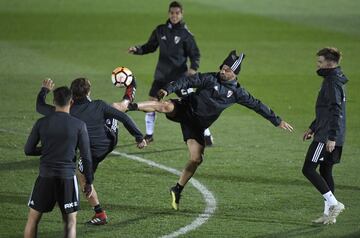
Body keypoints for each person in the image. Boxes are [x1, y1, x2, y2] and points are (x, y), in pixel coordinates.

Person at [127, 50, 294, 210]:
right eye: (222, 67)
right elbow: (189, 81)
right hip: (185, 109)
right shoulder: (210, 78)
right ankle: (129, 106)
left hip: (197, 126)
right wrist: (168, 89)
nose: (222, 71)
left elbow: (257, 105)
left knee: (196, 159)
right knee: (164, 106)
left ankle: (177, 189)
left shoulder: (238, 93)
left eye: (227, 70)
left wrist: (277, 121)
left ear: (234, 73)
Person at [36, 78, 147, 225]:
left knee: (82, 176)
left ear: (71, 93)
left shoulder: (67, 112)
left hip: (93, 151)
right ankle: (129, 92)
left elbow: (40, 107)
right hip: (110, 139)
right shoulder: (99, 105)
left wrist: (44, 90)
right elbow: (124, 118)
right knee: (115, 108)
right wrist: (139, 137)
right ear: (89, 91)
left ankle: (99, 213)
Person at [128, 1, 214, 146]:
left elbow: (195, 54)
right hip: (161, 75)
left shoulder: (186, 34)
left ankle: (206, 134)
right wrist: (137, 50)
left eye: (177, 13)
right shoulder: (160, 30)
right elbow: (150, 46)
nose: (174, 16)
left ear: (181, 14)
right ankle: (149, 135)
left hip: (180, 78)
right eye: (172, 13)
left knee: (194, 106)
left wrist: (193, 69)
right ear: (169, 13)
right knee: (152, 102)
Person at [24, 86, 93, 238]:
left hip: (45, 177)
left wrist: (48, 148)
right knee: (70, 222)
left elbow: (28, 150)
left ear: (54, 101)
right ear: (71, 102)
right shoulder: (79, 125)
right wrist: (89, 181)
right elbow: (86, 156)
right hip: (67, 178)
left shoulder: (42, 122)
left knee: (33, 220)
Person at [302, 47, 347, 225]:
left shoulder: (331, 82)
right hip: (329, 131)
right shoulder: (335, 78)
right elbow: (326, 110)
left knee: (308, 169)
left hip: (326, 135)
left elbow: (336, 110)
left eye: (320, 62)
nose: (317, 65)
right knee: (325, 170)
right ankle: (329, 215)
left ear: (329, 63)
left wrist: (331, 137)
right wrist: (313, 127)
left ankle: (334, 204)